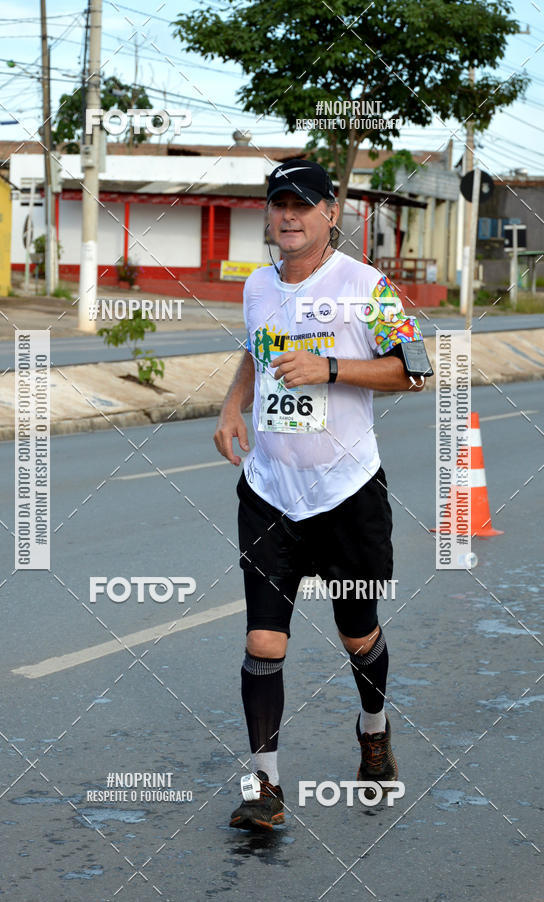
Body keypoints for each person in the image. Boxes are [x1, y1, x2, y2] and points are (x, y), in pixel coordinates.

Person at [213, 158, 429, 830]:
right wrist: (232, 404)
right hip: (270, 491)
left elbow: (414, 370)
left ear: (331, 213)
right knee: (263, 643)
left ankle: (373, 730)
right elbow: (256, 348)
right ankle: (265, 788)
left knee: (357, 635)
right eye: (279, 203)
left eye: (303, 205)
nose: (288, 216)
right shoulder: (256, 286)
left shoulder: (368, 287)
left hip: (347, 492)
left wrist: (330, 367)